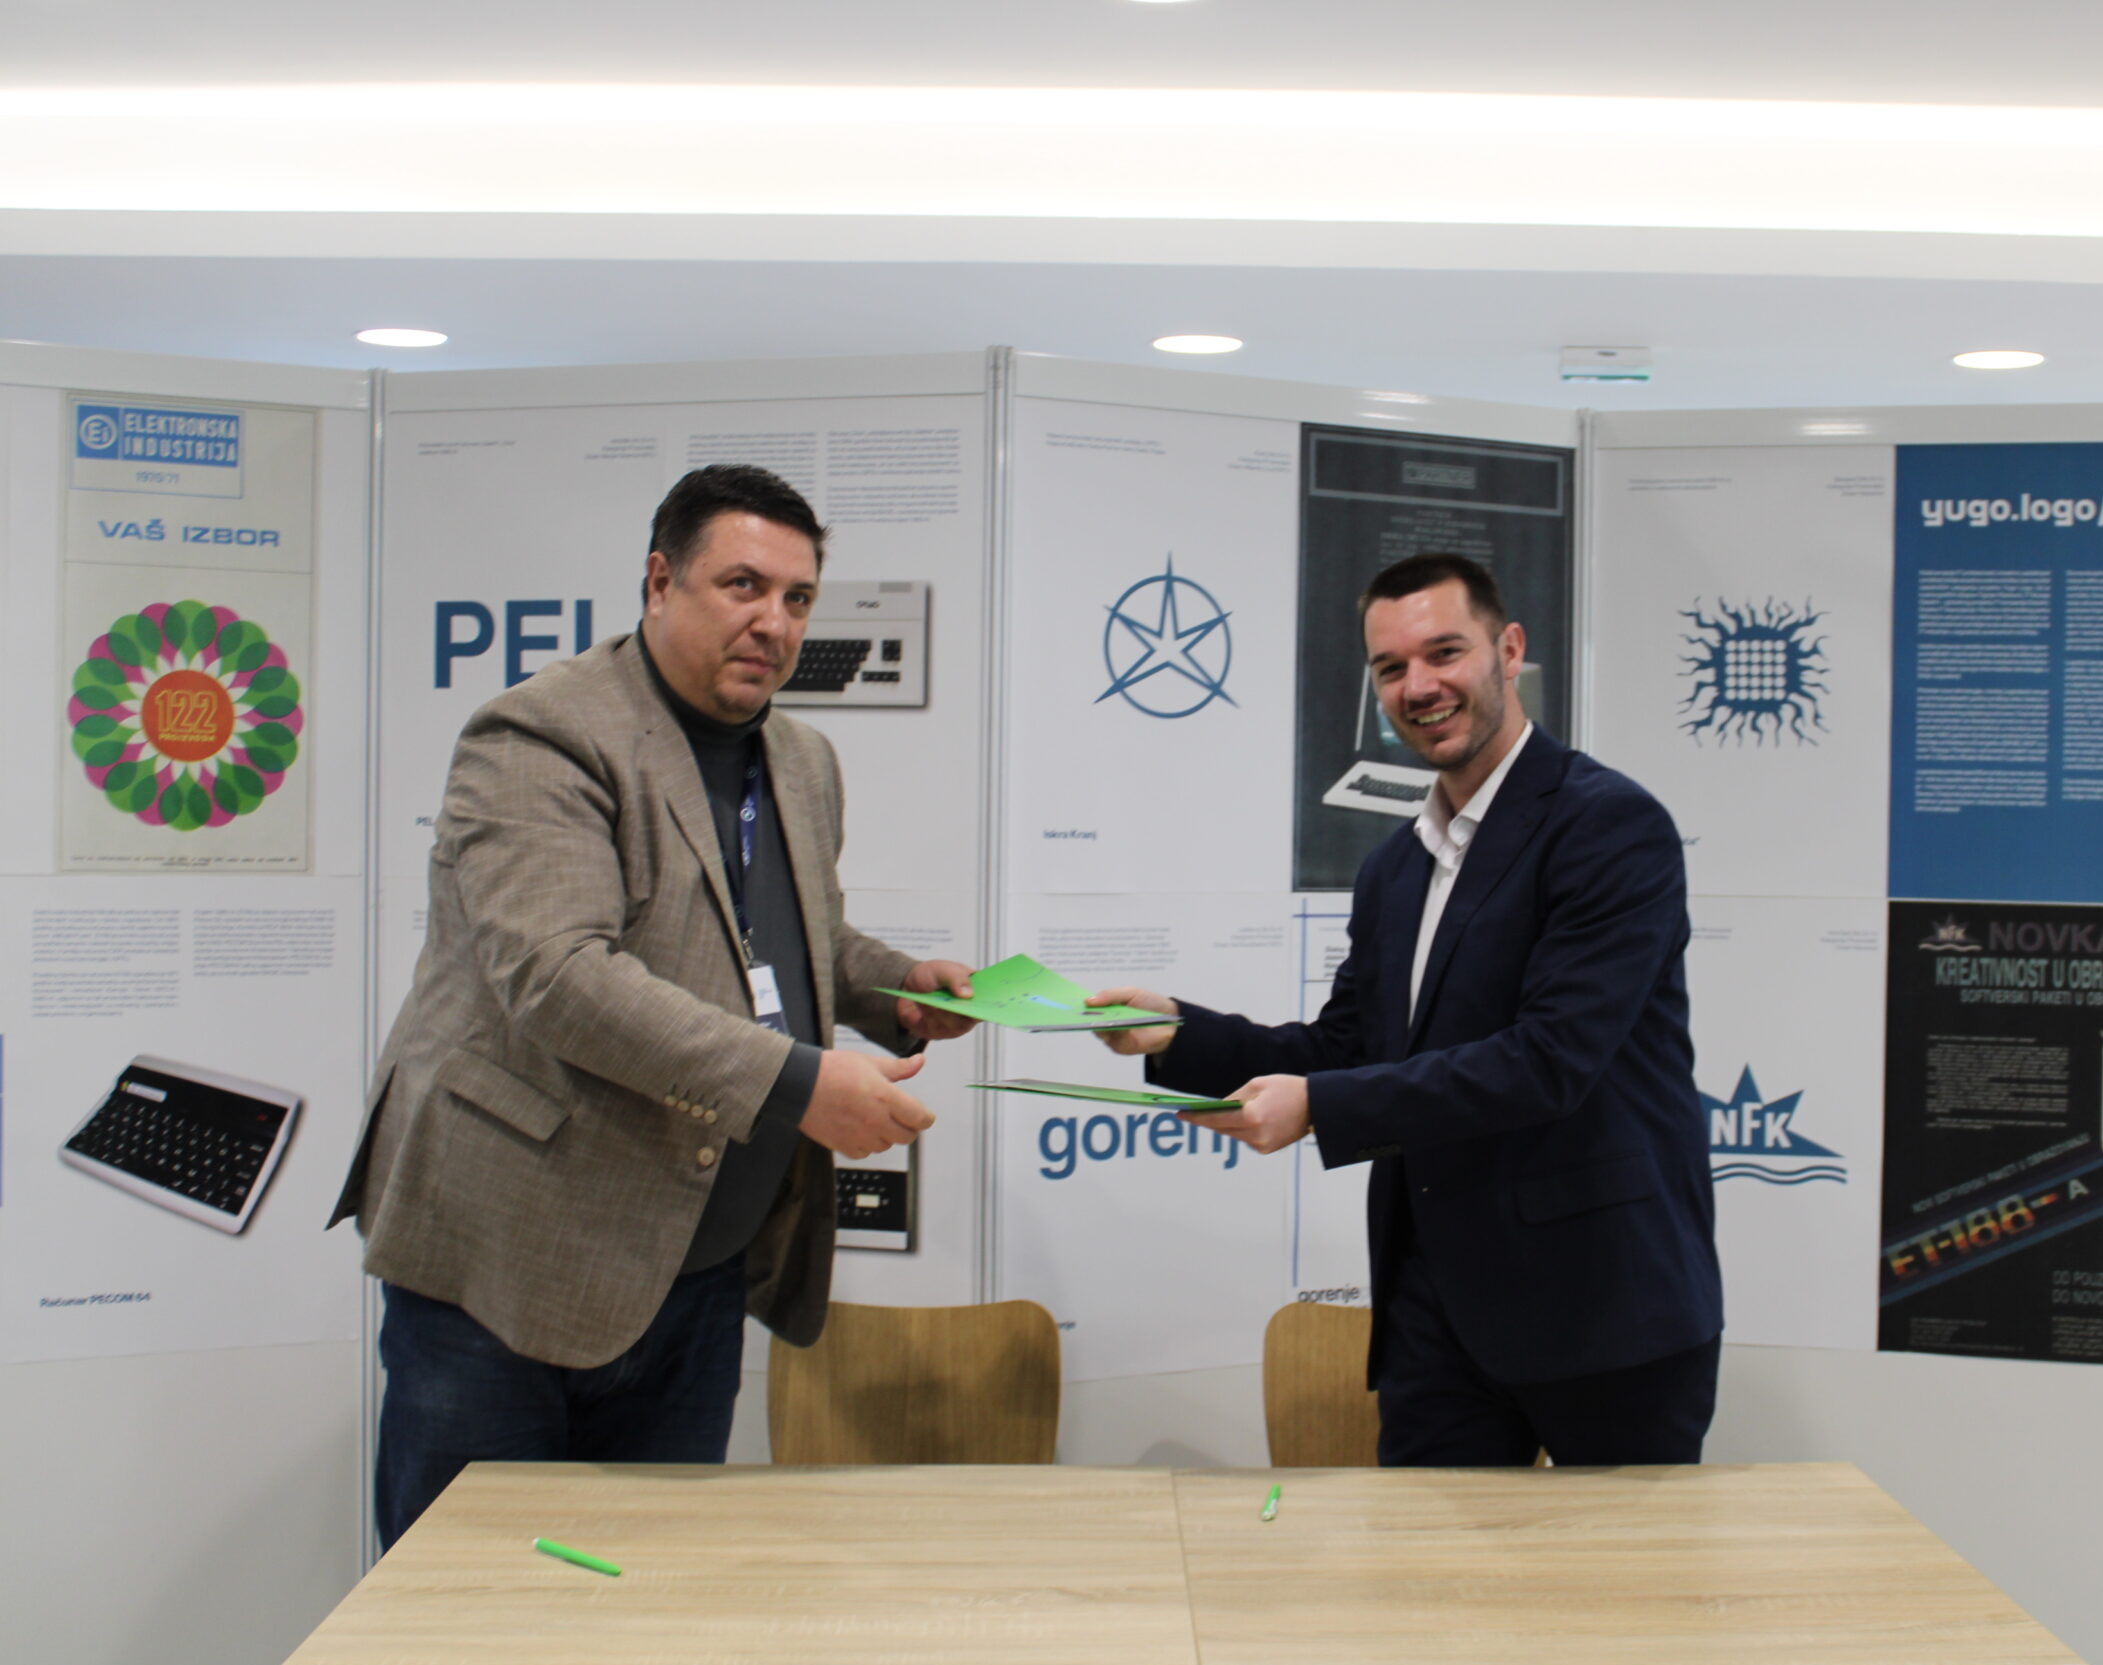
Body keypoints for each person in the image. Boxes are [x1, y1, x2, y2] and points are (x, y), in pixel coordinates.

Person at [332, 464, 977, 1545]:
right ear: (660, 581)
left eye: (798, 598)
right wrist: (796, 1084)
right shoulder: (541, 735)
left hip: (695, 1262)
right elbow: (558, 977)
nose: (774, 623)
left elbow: (787, 939)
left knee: (655, 1594)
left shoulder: (802, 758)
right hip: (510, 1260)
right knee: (470, 1606)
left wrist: (898, 989)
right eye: (742, 585)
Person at [1093, 552, 1722, 1467]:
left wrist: (1320, 1107)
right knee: (1423, 1561)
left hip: (1607, 1307)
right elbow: (1350, 1043)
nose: (1418, 686)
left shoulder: (1609, 825)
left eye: (1444, 653)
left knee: (1623, 1568)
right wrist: (1179, 1033)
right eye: (1390, 667)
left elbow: (1549, 1061)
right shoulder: (1395, 866)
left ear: (1510, 650)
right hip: (1436, 1313)